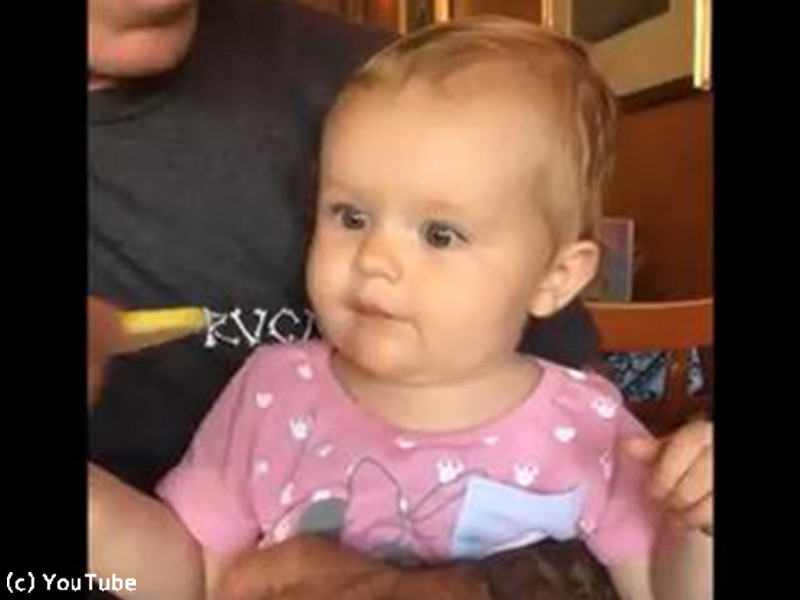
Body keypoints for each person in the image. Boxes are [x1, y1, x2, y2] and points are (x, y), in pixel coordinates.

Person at [90, 15, 713, 600]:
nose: (375, 258)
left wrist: (698, 526)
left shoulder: (589, 426)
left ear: (556, 278)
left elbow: (664, 590)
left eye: (440, 234)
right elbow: (187, 575)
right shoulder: (272, 390)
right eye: (350, 216)